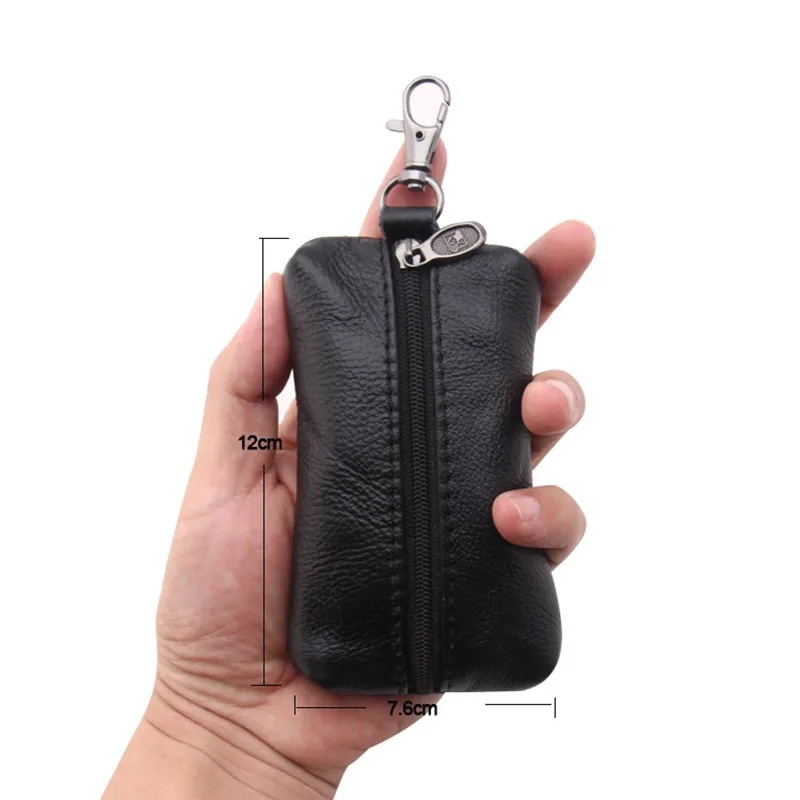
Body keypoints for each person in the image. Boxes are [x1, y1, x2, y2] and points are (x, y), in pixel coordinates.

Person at [103, 146, 595, 799]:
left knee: (538, 433)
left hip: (330, 658)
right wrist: (214, 723)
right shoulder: (401, 275)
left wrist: (214, 734)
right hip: (332, 656)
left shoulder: (328, 273)